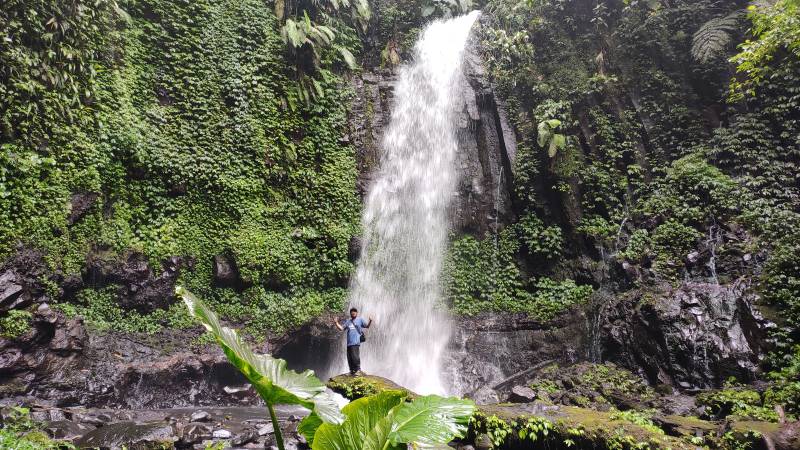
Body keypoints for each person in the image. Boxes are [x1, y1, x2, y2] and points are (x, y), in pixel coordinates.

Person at [334, 307, 373, 376]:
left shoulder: (360, 320)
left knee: (355, 356)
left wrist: (370, 321)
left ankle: (358, 370)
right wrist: (336, 323)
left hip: (355, 342)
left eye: (354, 311)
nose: (353, 312)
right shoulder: (348, 321)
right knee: (349, 357)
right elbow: (342, 328)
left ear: (357, 313)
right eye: (352, 311)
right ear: (350, 313)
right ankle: (352, 370)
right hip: (349, 343)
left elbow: (367, 326)